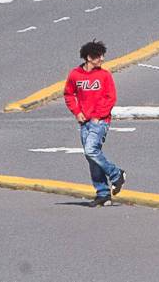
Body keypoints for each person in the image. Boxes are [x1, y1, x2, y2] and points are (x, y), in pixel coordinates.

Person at [64, 40, 127, 207]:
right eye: (98, 56)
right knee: (91, 157)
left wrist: (98, 116)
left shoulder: (105, 75)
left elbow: (110, 97)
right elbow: (69, 95)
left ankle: (116, 174)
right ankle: (103, 193)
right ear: (88, 57)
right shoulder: (75, 75)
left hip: (100, 121)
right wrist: (77, 112)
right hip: (84, 122)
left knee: (91, 150)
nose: (102, 59)